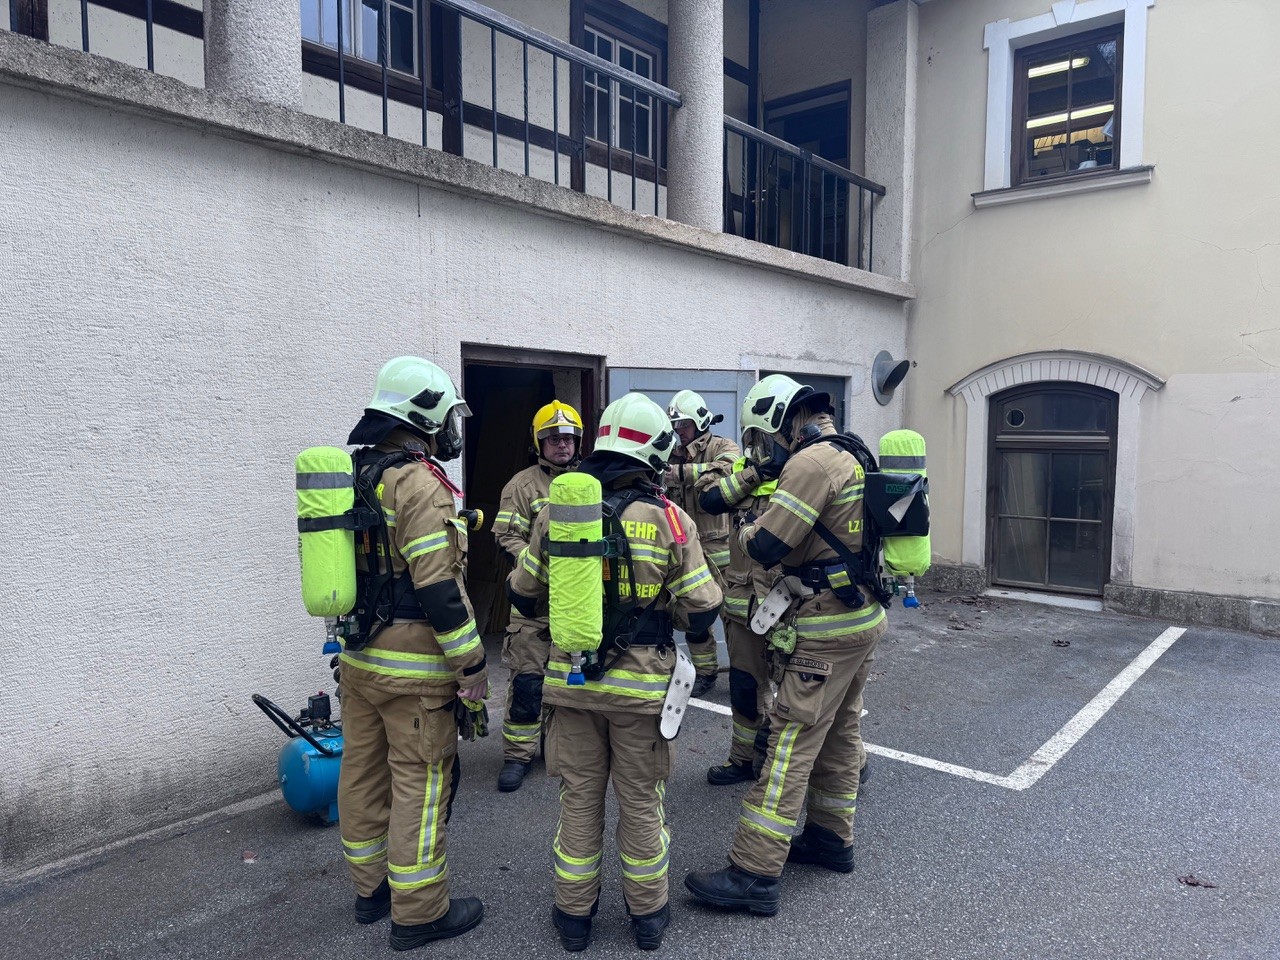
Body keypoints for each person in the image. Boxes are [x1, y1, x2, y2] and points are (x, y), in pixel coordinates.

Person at [508, 393, 722, 952]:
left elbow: (523, 595)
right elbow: (702, 608)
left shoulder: (556, 511)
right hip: (642, 693)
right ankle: (648, 918)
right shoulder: (669, 518)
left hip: (572, 685)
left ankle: (573, 918)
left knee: (579, 802)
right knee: (641, 803)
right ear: (653, 451)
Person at [684, 374, 887, 916]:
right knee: (840, 734)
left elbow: (769, 545)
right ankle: (829, 838)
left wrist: (745, 529)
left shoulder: (811, 463)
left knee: (789, 744)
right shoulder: (852, 450)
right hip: (861, 617)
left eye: (760, 438)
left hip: (824, 628)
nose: (761, 450)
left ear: (779, 422)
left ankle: (753, 872)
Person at [336, 356, 488, 951]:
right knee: (420, 786)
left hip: (359, 659)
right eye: (446, 416)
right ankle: (420, 912)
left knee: (362, 775)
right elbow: (438, 587)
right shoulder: (418, 482)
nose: (450, 429)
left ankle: (371, 891)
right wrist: (471, 665)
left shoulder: (355, 472)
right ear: (422, 415)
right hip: (414, 671)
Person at [491, 400, 583, 792]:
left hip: (578, 603)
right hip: (533, 604)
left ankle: (561, 747)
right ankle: (518, 755)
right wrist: (537, 566)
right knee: (528, 683)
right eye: (553, 438)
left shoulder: (590, 483)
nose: (562, 445)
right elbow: (505, 536)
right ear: (538, 442)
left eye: (568, 438)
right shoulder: (522, 485)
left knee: (574, 681)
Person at [696, 451, 778, 785]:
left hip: (792, 603)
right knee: (745, 686)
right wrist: (756, 474)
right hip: (744, 604)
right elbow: (709, 499)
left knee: (802, 694)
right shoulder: (745, 469)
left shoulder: (806, 470)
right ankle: (743, 759)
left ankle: (847, 763)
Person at [663, 390, 740, 695]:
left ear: (699, 422)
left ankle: (744, 673)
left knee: (734, 618)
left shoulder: (722, 447)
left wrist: (680, 473)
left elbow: (729, 468)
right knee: (695, 618)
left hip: (723, 554)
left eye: (683, 424)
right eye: (675, 425)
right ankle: (705, 674)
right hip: (689, 554)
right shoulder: (670, 453)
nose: (678, 431)